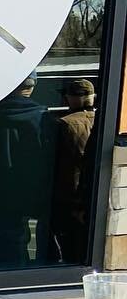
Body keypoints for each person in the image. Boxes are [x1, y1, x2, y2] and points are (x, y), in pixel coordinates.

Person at [0, 75, 55, 272]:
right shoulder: (40, 119)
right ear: (31, 87)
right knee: (14, 279)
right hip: (13, 214)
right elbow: (43, 171)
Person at [52, 77, 96, 264]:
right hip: (90, 196)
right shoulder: (104, 120)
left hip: (68, 197)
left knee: (65, 247)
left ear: (71, 98)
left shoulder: (64, 124)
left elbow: (57, 164)